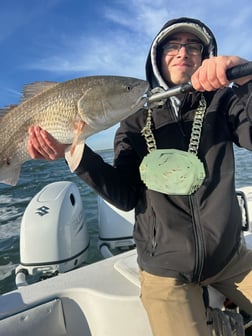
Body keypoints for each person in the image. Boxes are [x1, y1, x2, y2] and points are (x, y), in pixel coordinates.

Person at [28, 17, 252, 335]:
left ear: (206, 56)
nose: (183, 52)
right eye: (172, 45)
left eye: (193, 46)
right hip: (165, 269)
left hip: (231, 257)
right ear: (157, 57)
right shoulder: (133, 121)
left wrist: (247, 80)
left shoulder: (225, 102)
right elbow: (126, 194)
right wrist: (75, 154)